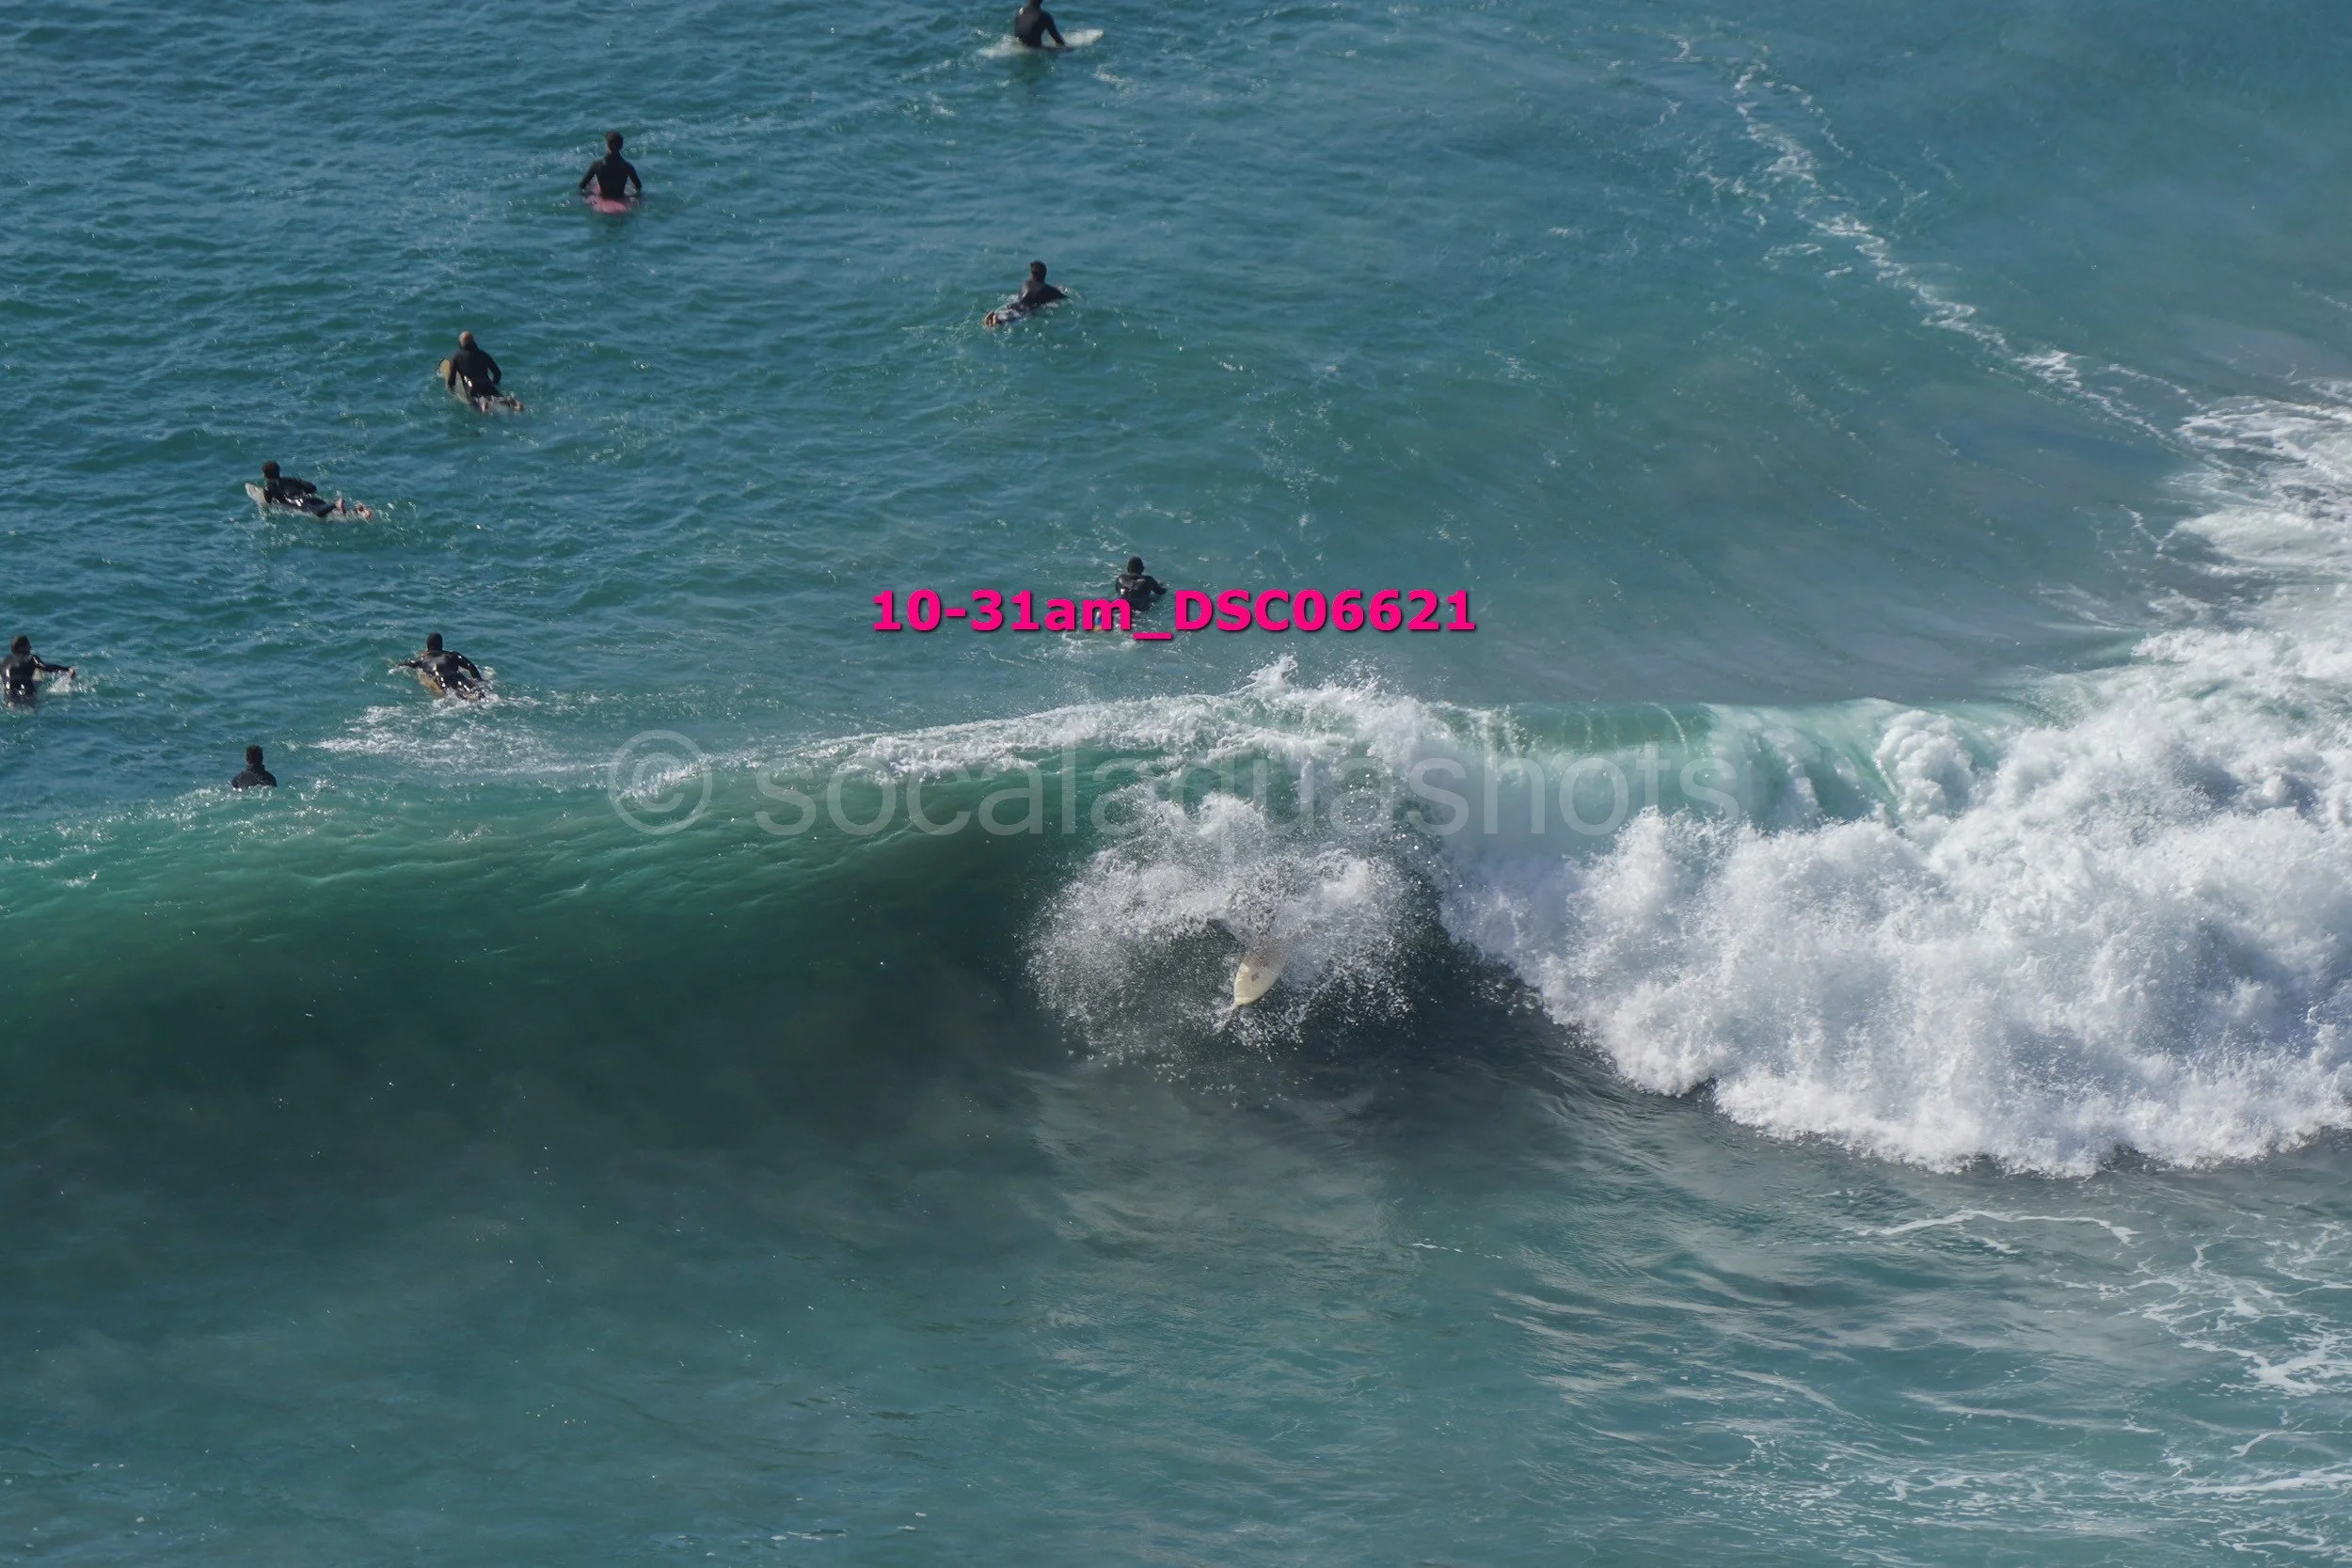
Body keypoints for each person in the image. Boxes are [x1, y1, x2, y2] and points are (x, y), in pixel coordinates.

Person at [259, 461, 372, 520]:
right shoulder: (292, 480)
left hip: (299, 503)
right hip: (310, 499)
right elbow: (312, 488)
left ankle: (336, 503)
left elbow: (268, 501)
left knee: (317, 513)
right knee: (332, 513)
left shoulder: (269, 485)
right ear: (279, 471)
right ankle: (358, 511)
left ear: (265, 475)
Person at [443, 331, 516, 410]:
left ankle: (483, 404)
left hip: (473, 389)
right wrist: (494, 384)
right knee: (499, 398)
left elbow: (452, 380)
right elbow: (497, 373)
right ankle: (512, 402)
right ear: (473, 341)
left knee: (478, 402)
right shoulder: (483, 354)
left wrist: (452, 391)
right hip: (488, 385)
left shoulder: (456, 356)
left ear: (460, 343)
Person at [397, 632, 485, 698]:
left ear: (428, 646)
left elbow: (404, 665)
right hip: (459, 677)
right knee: (479, 695)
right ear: (441, 645)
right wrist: (478, 680)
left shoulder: (422, 660)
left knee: (458, 698)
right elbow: (470, 665)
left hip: (442, 680)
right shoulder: (451, 655)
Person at [984, 261, 1069, 326]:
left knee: (1006, 313)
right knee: (1011, 319)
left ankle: (995, 316)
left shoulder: (1025, 284)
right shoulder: (1048, 289)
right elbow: (1063, 297)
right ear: (1045, 274)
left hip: (1013, 304)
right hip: (1026, 310)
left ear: (1031, 274)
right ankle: (997, 321)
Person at [4, 635, 72, 705]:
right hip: (27, 689)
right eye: (28, 645)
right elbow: (46, 667)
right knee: (30, 710)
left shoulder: (4, 661)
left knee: (12, 707)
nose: (30, 648)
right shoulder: (31, 657)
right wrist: (67, 669)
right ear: (21, 648)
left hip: (9, 691)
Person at [579, 131, 642, 202]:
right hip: (621, 198)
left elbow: (582, 185)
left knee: (592, 183)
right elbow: (638, 187)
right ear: (621, 146)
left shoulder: (597, 165)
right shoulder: (628, 166)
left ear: (607, 145)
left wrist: (591, 194)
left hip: (602, 198)